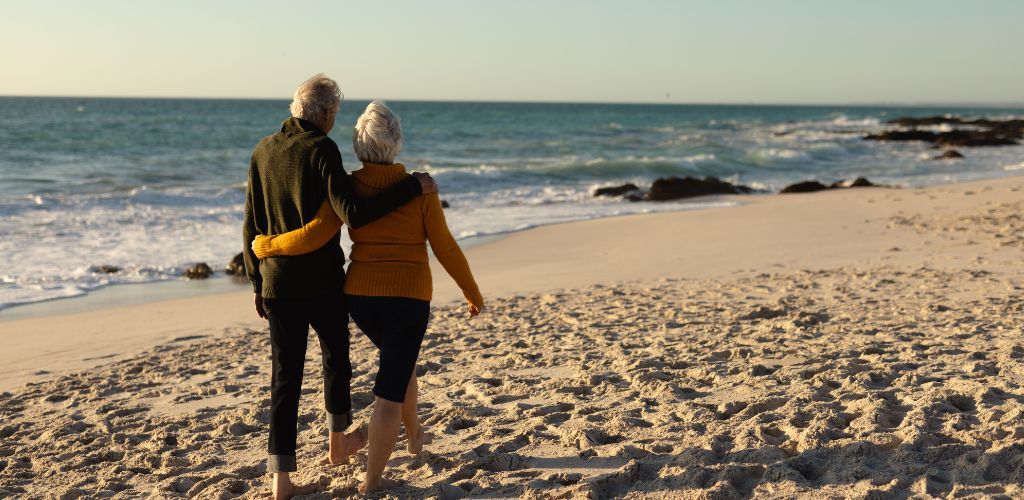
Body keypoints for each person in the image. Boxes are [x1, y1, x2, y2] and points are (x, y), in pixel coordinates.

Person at [252, 100, 484, 494]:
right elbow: (445, 247)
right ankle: (371, 482)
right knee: (389, 394)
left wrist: (267, 246)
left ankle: (415, 437)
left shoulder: (347, 186)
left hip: (358, 298)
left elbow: (316, 232)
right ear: (395, 143)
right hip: (408, 299)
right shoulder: (421, 190)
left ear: (359, 145)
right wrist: (471, 292)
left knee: (400, 361)